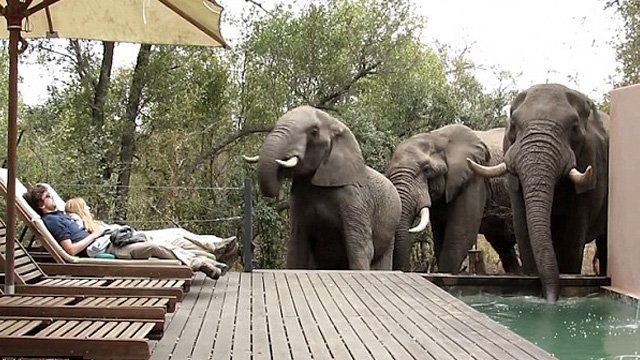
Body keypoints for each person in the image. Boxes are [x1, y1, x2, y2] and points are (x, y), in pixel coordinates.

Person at [24, 184, 235, 279]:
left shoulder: (61, 214)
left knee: (170, 237)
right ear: (42, 204)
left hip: (112, 238)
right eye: (49, 196)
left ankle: (210, 256)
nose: (53, 197)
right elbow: (70, 251)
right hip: (105, 248)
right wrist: (95, 234)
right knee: (155, 246)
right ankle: (204, 262)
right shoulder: (51, 221)